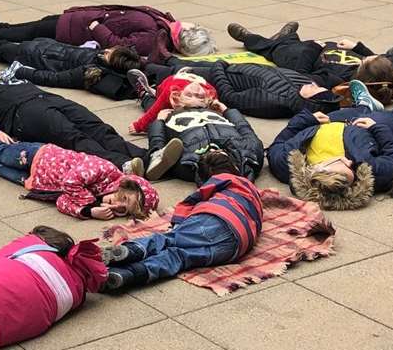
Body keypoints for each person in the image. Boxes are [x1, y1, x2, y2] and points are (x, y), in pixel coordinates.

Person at [101, 155, 265, 291]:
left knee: (168, 239)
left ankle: (131, 250)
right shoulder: (254, 193)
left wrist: (177, 225)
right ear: (234, 167)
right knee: (180, 258)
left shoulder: (224, 178)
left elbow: (190, 202)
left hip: (217, 219)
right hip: (235, 248)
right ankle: (130, 275)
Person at [0, 70, 145, 168]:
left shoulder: (10, 82)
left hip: (50, 100)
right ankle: (121, 163)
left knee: (97, 127)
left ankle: (143, 155)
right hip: (25, 112)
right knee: (73, 136)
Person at [0, 135, 160, 221]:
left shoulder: (101, 199)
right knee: (2, 154)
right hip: (40, 157)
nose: (118, 205)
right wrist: (90, 204)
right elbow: (70, 182)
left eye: (124, 210)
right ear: (124, 186)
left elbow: (62, 201)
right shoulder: (106, 170)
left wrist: (87, 212)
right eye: (124, 199)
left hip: (37, 184)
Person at [0, 18, 142, 100]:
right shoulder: (101, 59)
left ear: (113, 62)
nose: (107, 50)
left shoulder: (93, 70)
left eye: (110, 53)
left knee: (0, 48)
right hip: (46, 48)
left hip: (37, 57)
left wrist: (22, 71)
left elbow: (54, 79)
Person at [265, 104, 393, 210]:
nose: (349, 161)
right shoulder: (372, 174)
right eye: (351, 169)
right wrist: (377, 128)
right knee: (389, 117)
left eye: (341, 161)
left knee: (355, 108)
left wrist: (304, 120)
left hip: (330, 121)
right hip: (367, 127)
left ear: (317, 167)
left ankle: (364, 102)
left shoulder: (287, 163)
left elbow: (277, 144)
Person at [134, 72, 265, 182]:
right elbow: (244, 128)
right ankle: (151, 90)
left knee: (155, 106)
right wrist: (227, 111)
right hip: (210, 114)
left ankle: (145, 94)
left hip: (178, 118)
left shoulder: (187, 164)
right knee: (188, 90)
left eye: (211, 155)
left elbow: (159, 149)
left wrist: (159, 122)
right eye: (221, 153)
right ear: (235, 166)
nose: (214, 150)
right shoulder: (251, 155)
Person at [132, 58, 340, 120]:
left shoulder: (273, 101)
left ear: (309, 102)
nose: (313, 85)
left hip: (215, 78)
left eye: (315, 90)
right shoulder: (301, 85)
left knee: (167, 73)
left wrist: (219, 67)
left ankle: (128, 70)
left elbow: (231, 97)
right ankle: (144, 61)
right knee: (174, 63)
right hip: (231, 68)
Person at [0, 5, 179, 63]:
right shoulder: (162, 21)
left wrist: (96, 26)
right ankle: (1, 28)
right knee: (41, 24)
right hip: (79, 20)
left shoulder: (152, 36)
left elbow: (117, 44)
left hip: (78, 30)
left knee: (32, 32)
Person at [227, 21, 379, 90]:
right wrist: (357, 47)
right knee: (292, 45)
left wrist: (312, 50)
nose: (369, 56)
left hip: (304, 57)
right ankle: (284, 37)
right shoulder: (380, 70)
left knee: (280, 49)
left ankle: (250, 38)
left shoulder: (337, 79)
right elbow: (380, 59)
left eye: (367, 59)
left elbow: (300, 77)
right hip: (322, 48)